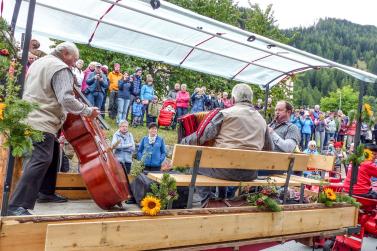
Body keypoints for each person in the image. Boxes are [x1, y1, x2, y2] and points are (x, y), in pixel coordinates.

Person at [7, 42, 99, 216]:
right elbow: (66, 99)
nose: (74, 63)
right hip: (42, 120)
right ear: (65, 53)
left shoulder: (38, 63)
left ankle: (45, 192)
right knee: (41, 158)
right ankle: (15, 204)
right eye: (74, 59)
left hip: (29, 116)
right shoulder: (61, 68)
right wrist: (87, 111)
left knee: (54, 150)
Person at [182, 83, 272, 182]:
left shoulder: (225, 114)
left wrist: (183, 142)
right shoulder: (262, 120)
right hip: (250, 174)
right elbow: (269, 148)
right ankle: (223, 196)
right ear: (251, 100)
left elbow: (202, 136)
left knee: (194, 165)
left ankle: (200, 197)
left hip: (223, 170)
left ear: (233, 99)